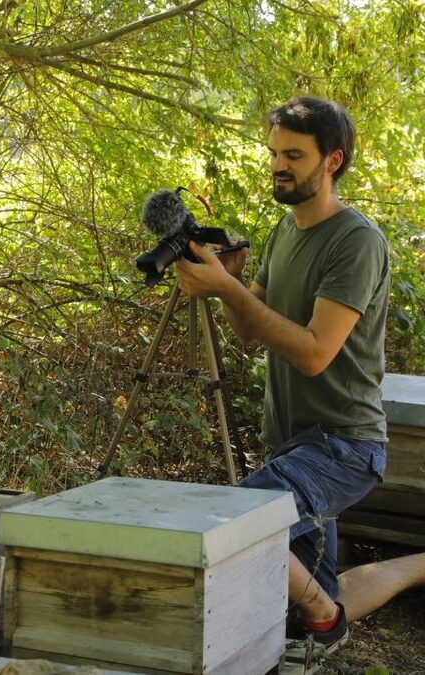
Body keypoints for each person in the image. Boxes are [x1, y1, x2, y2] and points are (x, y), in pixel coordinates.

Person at [175, 96, 390, 652]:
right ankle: (387, 582)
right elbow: (251, 328)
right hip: (292, 445)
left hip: (344, 446)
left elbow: (317, 352)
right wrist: (230, 284)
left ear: (332, 161)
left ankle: (325, 620)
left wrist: (228, 290)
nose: (277, 164)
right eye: (273, 152)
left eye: (293, 154)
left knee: (239, 522)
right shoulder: (284, 230)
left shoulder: (356, 241)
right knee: (318, 588)